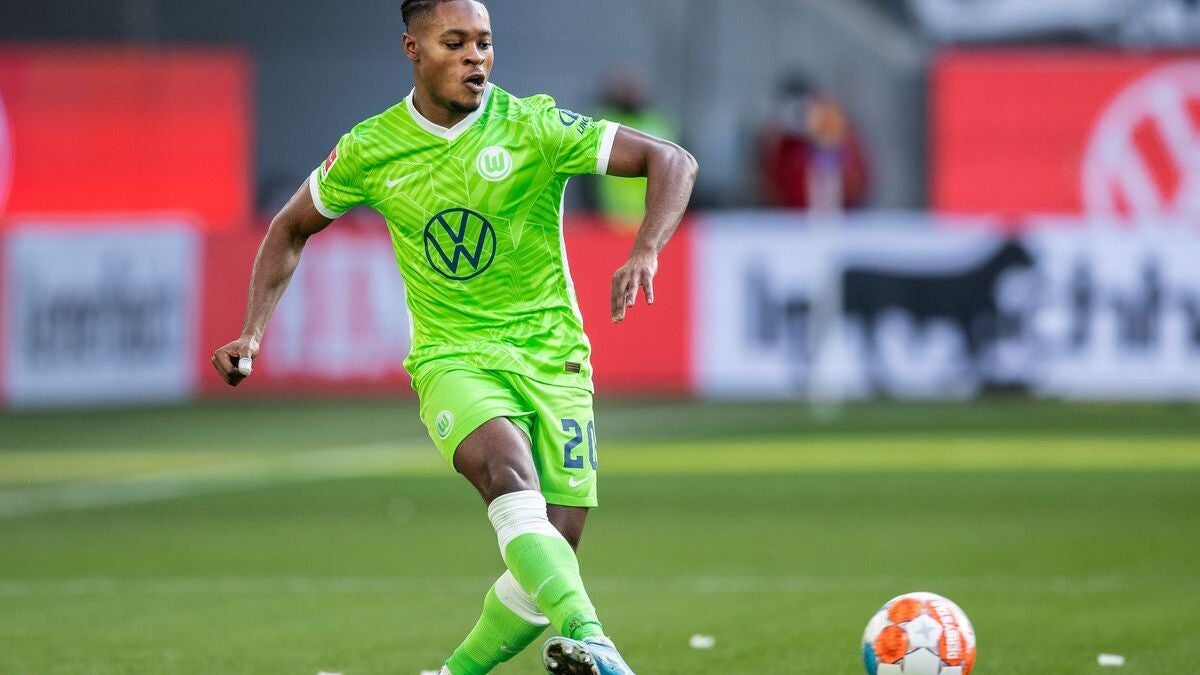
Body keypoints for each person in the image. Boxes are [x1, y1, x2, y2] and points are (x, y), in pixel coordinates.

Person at [210, 1, 697, 674]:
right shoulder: (371, 148)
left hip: (554, 358)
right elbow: (290, 227)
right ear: (413, 49)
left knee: (553, 549)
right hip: (453, 357)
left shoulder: (533, 125)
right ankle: (598, 642)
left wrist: (645, 248)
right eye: (456, 42)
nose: (476, 57)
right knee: (507, 475)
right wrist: (252, 331)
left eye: (485, 43)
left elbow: (673, 160)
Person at [758, 74, 868, 210]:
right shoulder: (780, 142)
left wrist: (825, 132)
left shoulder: (837, 129)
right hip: (789, 211)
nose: (799, 117)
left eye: (804, 109)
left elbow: (855, 181)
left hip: (834, 207)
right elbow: (770, 184)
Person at [592, 67, 679, 231]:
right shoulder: (602, 123)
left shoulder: (658, 125)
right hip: (610, 221)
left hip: (648, 221)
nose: (629, 94)